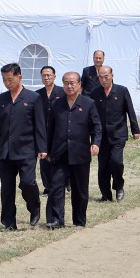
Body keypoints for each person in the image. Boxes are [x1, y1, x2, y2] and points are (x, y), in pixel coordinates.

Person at [0, 63, 46, 230]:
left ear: (20, 76)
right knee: (7, 188)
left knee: (27, 183)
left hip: (26, 151)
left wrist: (42, 148)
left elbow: (40, 125)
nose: (7, 83)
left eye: (10, 79)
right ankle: (8, 222)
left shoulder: (33, 98)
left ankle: (34, 207)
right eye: (4, 80)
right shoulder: (1, 99)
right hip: (6, 152)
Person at [44, 71, 101, 228]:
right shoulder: (56, 104)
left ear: (79, 84)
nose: (69, 86)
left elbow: (96, 126)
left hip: (80, 153)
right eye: (66, 83)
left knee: (80, 190)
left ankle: (79, 220)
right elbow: (50, 129)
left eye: (72, 83)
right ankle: (56, 220)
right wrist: (46, 150)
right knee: (56, 187)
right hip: (59, 153)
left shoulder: (88, 103)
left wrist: (96, 143)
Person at [89, 65, 139, 201]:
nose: (104, 79)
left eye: (106, 76)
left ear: (112, 76)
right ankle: (105, 195)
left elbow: (130, 110)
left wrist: (136, 130)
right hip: (101, 136)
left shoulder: (121, 91)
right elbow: (91, 116)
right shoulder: (95, 93)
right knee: (103, 166)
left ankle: (118, 187)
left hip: (118, 133)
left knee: (116, 162)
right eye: (101, 77)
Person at [35, 65, 63, 195]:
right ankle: (47, 185)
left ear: (54, 77)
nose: (46, 78)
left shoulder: (62, 92)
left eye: (48, 75)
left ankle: (62, 182)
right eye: (44, 75)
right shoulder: (37, 94)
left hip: (58, 132)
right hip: (43, 132)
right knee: (44, 159)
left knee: (58, 158)